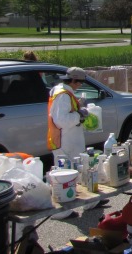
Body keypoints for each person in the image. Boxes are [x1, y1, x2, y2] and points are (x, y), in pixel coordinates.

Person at [47, 67, 100, 219]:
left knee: (71, 174)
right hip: (65, 141)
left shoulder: (61, 91)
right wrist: (79, 115)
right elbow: (61, 120)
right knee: (64, 177)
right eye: (80, 82)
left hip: (67, 139)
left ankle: (89, 203)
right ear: (73, 80)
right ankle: (62, 212)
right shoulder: (63, 95)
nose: (80, 86)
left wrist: (78, 109)